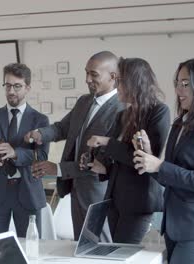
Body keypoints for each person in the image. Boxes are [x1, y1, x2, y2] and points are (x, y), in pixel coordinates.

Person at [134, 57, 194, 263]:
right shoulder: (179, 124)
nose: (178, 90)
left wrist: (160, 165)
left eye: (185, 84)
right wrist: (151, 160)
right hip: (175, 228)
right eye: (177, 83)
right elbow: (171, 176)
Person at [24, 51, 124, 241]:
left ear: (113, 76)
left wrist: (58, 168)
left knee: (98, 246)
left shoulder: (121, 110)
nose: (87, 79)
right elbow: (63, 128)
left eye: (94, 74)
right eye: (86, 73)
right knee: (82, 245)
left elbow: (102, 161)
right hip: (76, 187)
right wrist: (40, 134)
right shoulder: (84, 101)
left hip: (99, 190)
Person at [86, 57, 170, 243]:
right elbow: (120, 157)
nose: (117, 85)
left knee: (126, 255)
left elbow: (149, 161)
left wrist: (107, 142)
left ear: (135, 82)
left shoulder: (159, 111)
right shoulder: (122, 115)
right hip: (115, 198)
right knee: (116, 252)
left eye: (120, 80)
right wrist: (103, 167)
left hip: (139, 200)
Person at [0, 63, 50, 237]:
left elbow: (42, 156)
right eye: (7, 86)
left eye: (17, 86)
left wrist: (15, 153)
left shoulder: (41, 120)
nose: (11, 91)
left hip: (28, 193)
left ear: (27, 88)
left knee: (30, 249)